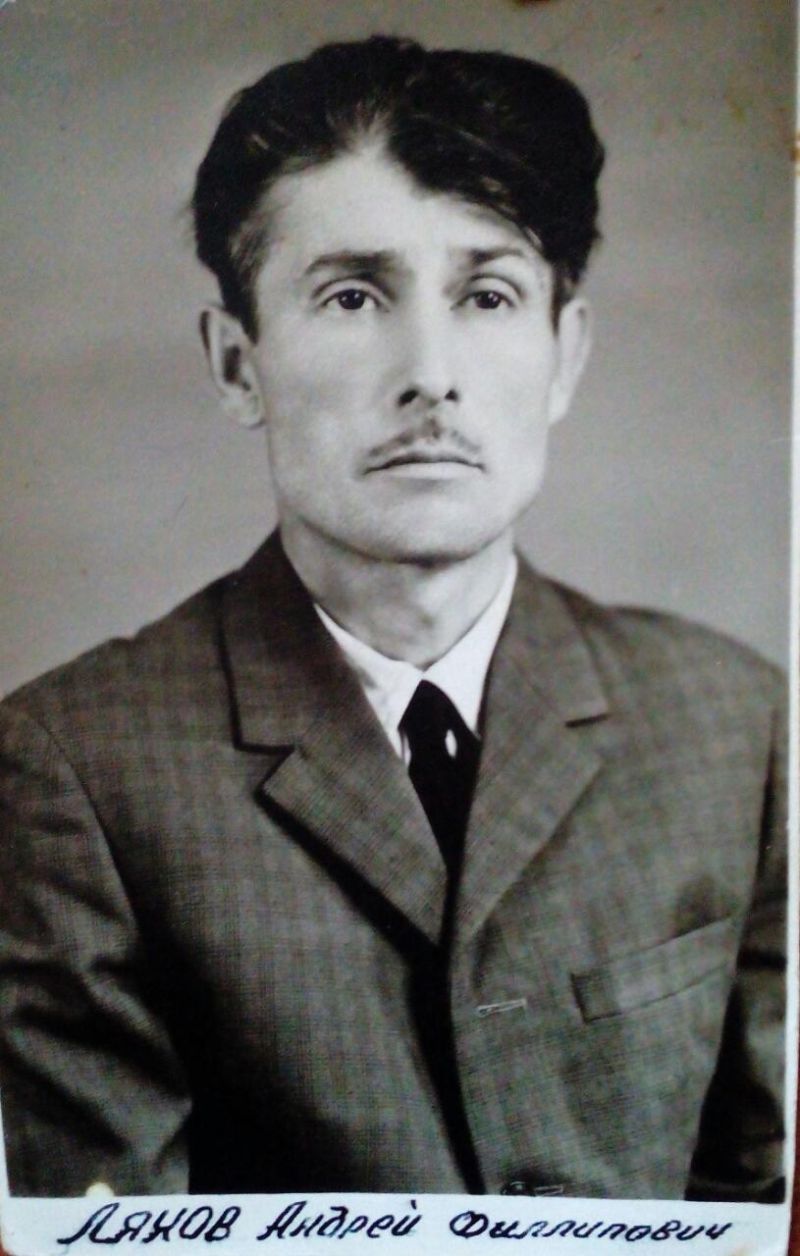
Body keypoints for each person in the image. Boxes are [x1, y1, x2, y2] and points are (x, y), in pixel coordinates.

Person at [0, 35, 786, 1203]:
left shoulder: (736, 721)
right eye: (352, 296)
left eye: (488, 295)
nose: (430, 373)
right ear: (237, 366)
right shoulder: (75, 769)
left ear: (563, 356)